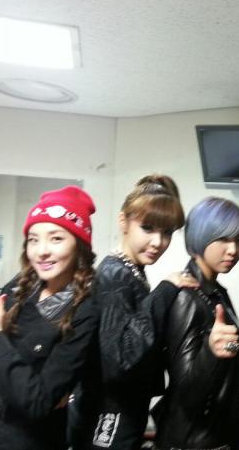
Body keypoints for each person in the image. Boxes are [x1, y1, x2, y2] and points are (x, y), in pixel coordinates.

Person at [77, 175, 195, 450]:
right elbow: (120, 358)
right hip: (108, 411)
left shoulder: (131, 272)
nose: (158, 242)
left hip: (125, 408)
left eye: (167, 232)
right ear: (123, 222)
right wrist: (165, 291)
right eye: (147, 228)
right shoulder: (115, 275)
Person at [0, 186, 99, 450]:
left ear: (79, 245)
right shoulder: (20, 286)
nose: (41, 251)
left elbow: (38, 402)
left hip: (23, 441)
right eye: (34, 240)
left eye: (56, 239)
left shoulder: (85, 309)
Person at [154, 196, 239, 450]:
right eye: (223, 239)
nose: (234, 249)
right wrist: (210, 351)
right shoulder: (187, 296)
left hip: (217, 436)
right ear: (200, 236)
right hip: (194, 441)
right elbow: (185, 391)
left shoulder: (216, 292)